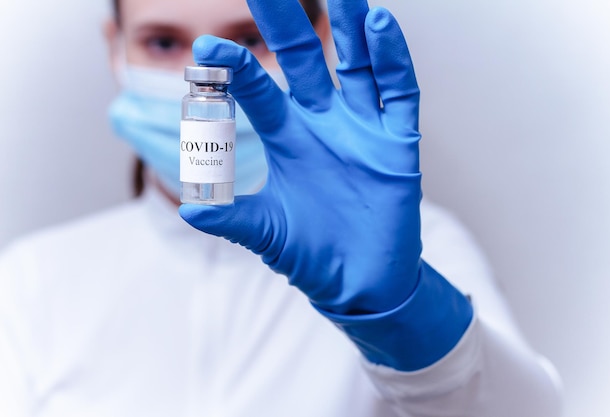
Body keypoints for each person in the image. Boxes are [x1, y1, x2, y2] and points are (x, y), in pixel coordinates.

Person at [0, 0, 563, 415]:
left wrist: (404, 315)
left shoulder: (420, 250)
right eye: (164, 43)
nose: (208, 73)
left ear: (317, 40)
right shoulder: (33, 278)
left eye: (250, 36)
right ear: (115, 50)